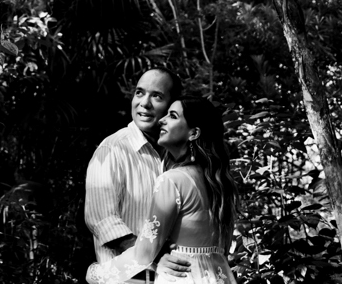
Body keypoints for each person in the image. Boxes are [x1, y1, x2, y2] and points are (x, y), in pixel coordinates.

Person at [85, 97, 239, 284]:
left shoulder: (173, 180)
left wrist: (97, 274)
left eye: (173, 116)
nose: (161, 120)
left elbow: (144, 253)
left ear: (194, 133)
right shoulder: (221, 183)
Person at [85, 67, 192, 282]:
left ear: (173, 107)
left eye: (157, 96)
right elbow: (104, 221)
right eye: (139, 93)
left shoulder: (179, 158)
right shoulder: (113, 149)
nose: (144, 103)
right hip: (126, 279)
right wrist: (154, 257)